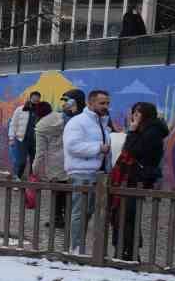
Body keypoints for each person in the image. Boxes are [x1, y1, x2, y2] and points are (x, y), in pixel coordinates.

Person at [113, 101, 169, 261]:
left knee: (128, 214)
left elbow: (133, 150)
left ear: (146, 114)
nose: (135, 117)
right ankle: (124, 249)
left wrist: (132, 131)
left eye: (138, 113)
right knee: (123, 214)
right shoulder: (146, 129)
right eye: (134, 113)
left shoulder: (153, 131)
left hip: (137, 177)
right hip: (131, 176)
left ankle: (129, 251)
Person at [63, 89, 114, 254]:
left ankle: (90, 249)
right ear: (90, 103)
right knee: (80, 212)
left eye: (107, 103)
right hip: (81, 172)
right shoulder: (78, 122)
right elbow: (72, 146)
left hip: (98, 173)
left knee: (92, 213)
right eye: (102, 103)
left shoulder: (103, 123)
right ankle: (76, 248)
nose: (105, 106)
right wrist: (98, 148)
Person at [34, 91, 77, 227]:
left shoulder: (40, 127)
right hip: (69, 159)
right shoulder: (62, 117)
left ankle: (57, 218)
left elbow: (40, 152)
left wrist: (35, 169)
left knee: (56, 192)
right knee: (66, 190)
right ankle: (67, 217)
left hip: (54, 163)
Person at [7, 91, 41, 178]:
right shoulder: (20, 109)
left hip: (35, 140)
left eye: (37, 99)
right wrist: (11, 137)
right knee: (21, 162)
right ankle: (17, 178)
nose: (36, 100)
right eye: (34, 98)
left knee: (34, 162)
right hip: (22, 139)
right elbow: (13, 123)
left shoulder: (40, 112)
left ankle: (31, 181)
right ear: (30, 98)